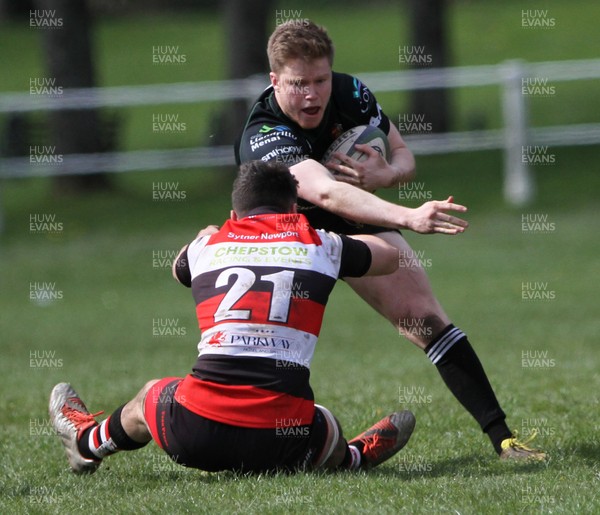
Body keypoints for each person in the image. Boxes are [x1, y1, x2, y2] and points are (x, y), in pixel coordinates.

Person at [234, 20, 545, 460]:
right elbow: (322, 191)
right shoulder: (264, 133)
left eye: (320, 80)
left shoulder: (350, 93)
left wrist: (388, 174)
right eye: (298, 84)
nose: (312, 95)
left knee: (425, 319)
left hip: (349, 215)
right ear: (274, 81)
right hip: (284, 234)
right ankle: (243, 442)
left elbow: (402, 155)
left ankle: (503, 440)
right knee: (264, 348)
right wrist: (410, 216)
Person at [49, 160, 417, 475]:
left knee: (152, 393)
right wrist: (337, 217)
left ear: (233, 215)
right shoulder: (323, 245)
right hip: (282, 440)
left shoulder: (204, 248)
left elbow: (179, 268)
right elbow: (389, 257)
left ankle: (87, 444)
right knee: (325, 422)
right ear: (294, 210)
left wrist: (205, 235)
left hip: (195, 435)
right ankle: (351, 458)